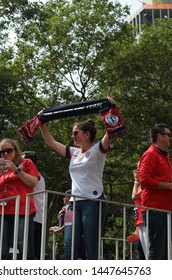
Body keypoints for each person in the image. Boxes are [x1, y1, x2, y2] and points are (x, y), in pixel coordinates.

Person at [39, 97, 117, 260]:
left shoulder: (98, 150)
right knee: (69, 244)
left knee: (90, 245)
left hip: (93, 202)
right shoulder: (73, 152)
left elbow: (111, 132)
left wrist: (111, 109)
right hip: (72, 205)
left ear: (87, 134)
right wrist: (41, 122)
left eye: (76, 133)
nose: (72, 136)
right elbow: (51, 142)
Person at [138, 123, 172, 260]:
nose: (171, 138)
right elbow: (144, 180)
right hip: (155, 209)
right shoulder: (150, 154)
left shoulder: (165, 156)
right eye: (168, 135)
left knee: (164, 254)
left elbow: (166, 180)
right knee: (157, 252)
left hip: (166, 210)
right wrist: (170, 185)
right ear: (159, 136)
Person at [0, 139, 39, 260]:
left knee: (25, 248)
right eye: (2, 152)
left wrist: (15, 169)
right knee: (1, 250)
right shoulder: (0, 169)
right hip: (0, 211)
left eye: (9, 150)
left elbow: (33, 182)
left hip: (21, 210)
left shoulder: (26, 163)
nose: (5, 154)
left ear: (16, 151)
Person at [22, 150, 46, 260]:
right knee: (34, 251)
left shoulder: (31, 178)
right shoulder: (40, 177)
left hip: (31, 216)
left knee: (28, 252)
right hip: (39, 217)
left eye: (22, 160)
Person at [126, 168, 147, 260]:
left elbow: (134, 196)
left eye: (139, 169)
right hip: (140, 223)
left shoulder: (145, 184)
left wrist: (136, 181)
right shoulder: (139, 186)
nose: (136, 172)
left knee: (148, 252)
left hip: (147, 221)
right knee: (141, 251)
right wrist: (136, 230)